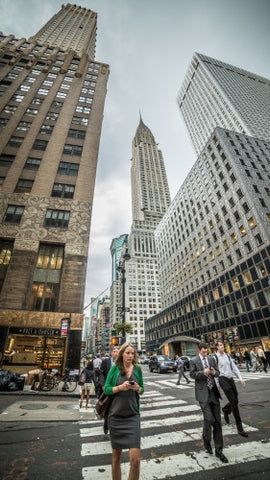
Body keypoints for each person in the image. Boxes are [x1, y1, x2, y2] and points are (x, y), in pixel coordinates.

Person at [104, 342, 144, 480]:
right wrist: (120, 387)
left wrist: (137, 388)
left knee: (136, 460)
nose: (130, 356)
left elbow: (142, 390)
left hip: (133, 416)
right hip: (116, 417)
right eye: (127, 353)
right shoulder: (115, 368)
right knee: (116, 458)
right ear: (122, 354)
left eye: (132, 353)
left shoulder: (138, 369)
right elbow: (107, 389)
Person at [189, 342, 228, 463]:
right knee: (209, 419)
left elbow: (218, 372)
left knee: (217, 422)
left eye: (207, 351)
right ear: (199, 350)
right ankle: (206, 439)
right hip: (202, 395)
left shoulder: (211, 359)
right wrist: (203, 373)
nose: (206, 353)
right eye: (204, 351)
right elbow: (192, 374)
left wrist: (212, 372)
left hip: (213, 393)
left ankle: (219, 450)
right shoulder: (194, 360)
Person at [215, 341, 248, 438]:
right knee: (234, 403)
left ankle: (225, 409)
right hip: (222, 380)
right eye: (220, 345)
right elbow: (216, 373)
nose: (222, 347)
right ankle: (240, 428)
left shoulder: (227, 356)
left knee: (235, 400)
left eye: (223, 345)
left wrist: (241, 379)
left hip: (230, 379)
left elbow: (234, 368)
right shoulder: (215, 358)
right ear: (217, 347)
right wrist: (217, 384)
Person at [98, 345, 119, 433]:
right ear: (111, 353)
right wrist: (103, 385)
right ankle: (106, 423)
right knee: (107, 407)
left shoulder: (121, 362)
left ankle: (115, 426)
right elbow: (101, 373)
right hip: (108, 389)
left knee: (117, 408)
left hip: (118, 390)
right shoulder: (105, 361)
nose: (116, 353)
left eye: (118, 351)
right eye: (114, 351)